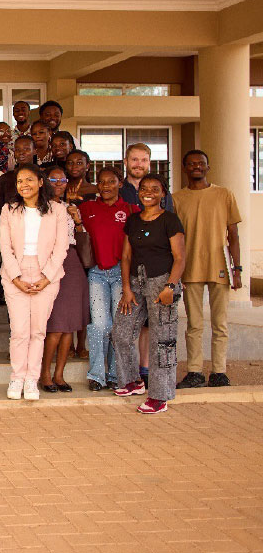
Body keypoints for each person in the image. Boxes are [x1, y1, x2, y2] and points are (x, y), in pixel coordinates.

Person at [112, 174, 185, 413]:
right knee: (121, 331)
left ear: (163, 193)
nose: (148, 192)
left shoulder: (170, 221)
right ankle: (133, 381)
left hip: (162, 283)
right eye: (144, 188)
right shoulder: (133, 220)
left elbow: (180, 258)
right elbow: (125, 257)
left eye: (155, 188)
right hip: (135, 283)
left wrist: (171, 287)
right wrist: (126, 288)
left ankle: (159, 396)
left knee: (161, 340)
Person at [0, 164, 69, 401]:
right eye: (19, 181)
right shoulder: (9, 210)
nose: (24, 185)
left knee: (37, 331)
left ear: (41, 182)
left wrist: (47, 276)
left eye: (29, 180)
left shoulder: (57, 210)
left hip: (46, 273)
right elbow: (4, 246)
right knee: (19, 331)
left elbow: (62, 247)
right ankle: (17, 377)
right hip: (15, 273)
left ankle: (31, 380)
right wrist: (15, 276)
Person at [173, 150, 242, 389]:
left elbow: (233, 234)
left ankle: (219, 371)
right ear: (184, 168)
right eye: (191, 164)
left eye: (200, 163)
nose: (196, 167)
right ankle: (195, 371)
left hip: (220, 265)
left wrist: (237, 268)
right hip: (190, 267)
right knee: (194, 324)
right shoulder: (176, 198)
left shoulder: (224, 194)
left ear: (207, 167)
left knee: (220, 323)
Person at [79, 167, 138, 391]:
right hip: (96, 273)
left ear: (120, 184)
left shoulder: (131, 209)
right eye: (101, 182)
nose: (105, 186)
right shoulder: (88, 208)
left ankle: (115, 375)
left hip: (121, 274)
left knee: (117, 326)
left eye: (111, 182)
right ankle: (97, 375)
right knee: (99, 325)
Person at [39, 166, 90, 393]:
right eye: (54, 179)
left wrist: (77, 220)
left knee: (68, 325)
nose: (59, 183)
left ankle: (59, 374)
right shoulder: (38, 207)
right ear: (44, 181)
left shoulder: (71, 207)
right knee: (56, 326)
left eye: (63, 179)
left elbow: (80, 238)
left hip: (71, 261)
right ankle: (44, 374)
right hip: (48, 260)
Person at [121, 142, 174, 211]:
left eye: (144, 160)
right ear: (125, 162)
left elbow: (169, 220)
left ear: (149, 163)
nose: (139, 164)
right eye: (134, 159)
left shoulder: (161, 192)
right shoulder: (117, 191)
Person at [0, 136, 35, 221]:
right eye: (18, 150)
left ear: (34, 151)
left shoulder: (42, 177)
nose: (21, 153)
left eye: (26, 149)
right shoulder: (5, 179)